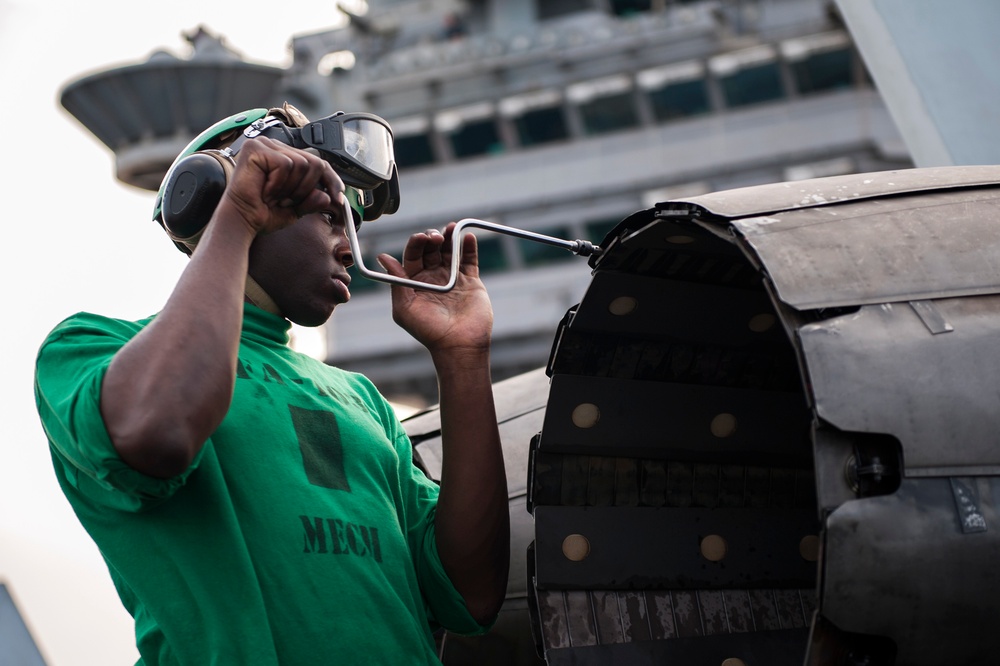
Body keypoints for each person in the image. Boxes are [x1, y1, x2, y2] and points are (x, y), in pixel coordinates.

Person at [33, 104, 510, 664]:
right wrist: (235, 214)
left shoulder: (362, 402)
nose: (350, 247)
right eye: (332, 217)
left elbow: (471, 595)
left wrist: (462, 357)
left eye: (355, 227)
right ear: (227, 197)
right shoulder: (90, 347)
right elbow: (158, 431)